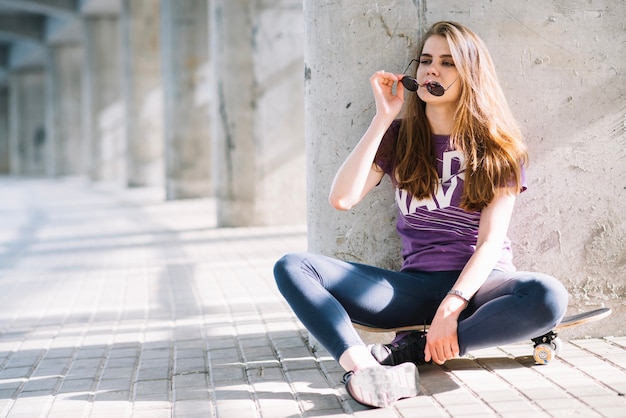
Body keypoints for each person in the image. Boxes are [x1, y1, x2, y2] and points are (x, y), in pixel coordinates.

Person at [274, 21, 568, 408]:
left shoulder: (499, 149)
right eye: (426, 60)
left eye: (447, 63)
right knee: (293, 266)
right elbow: (342, 198)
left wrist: (452, 305)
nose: (432, 69)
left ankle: (418, 346)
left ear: (470, 75)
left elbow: (490, 242)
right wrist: (382, 118)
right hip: (412, 287)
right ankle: (365, 368)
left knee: (548, 296)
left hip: (481, 285)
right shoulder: (399, 137)